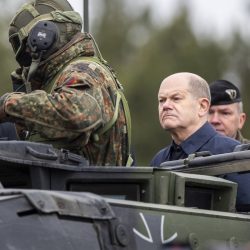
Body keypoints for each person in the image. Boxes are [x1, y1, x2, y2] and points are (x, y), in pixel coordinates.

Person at [0, 0, 133, 166]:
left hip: (87, 190)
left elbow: (78, 115)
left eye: (27, 43)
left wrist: (8, 105)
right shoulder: (62, 77)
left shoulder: (83, 71)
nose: (26, 51)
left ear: (44, 35)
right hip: (70, 190)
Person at [150, 72, 240, 166]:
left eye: (176, 98)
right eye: (162, 100)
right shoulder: (159, 160)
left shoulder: (234, 155)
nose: (165, 106)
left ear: (202, 106)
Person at [208, 79, 249, 143]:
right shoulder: (189, 151)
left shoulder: (247, 152)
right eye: (209, 112)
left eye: (225, 113)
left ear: (241, 120)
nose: (215, 120)